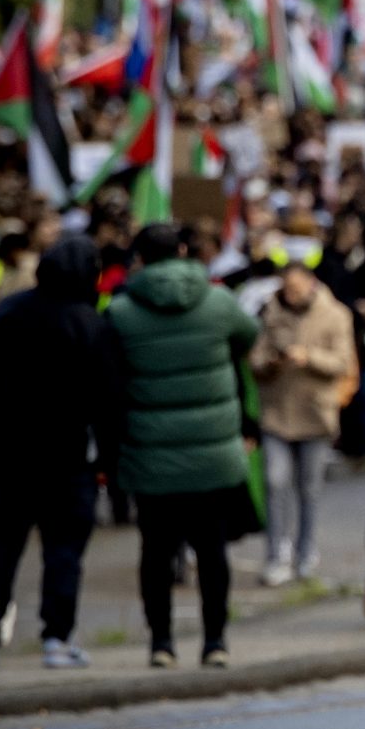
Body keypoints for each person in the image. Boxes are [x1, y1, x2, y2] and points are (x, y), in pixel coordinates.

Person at [105, 222, 262, 668]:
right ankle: (215, 641)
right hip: (213, 453)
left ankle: (161, 643)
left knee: (155, 554)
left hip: (150, 455)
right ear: (183, 249)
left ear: (139, 258)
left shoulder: (121, 311)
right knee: (212, 552)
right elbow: (249, 338)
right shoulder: (218, 301)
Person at [0, 236, 125, 669]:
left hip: (8, 455)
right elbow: (109, 401)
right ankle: (56, 638)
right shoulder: (89, 324)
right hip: (68, 458)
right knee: (64, 552)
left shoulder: (10, 313)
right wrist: (111, 465)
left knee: (0, 549)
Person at [249, 261, 355, 587]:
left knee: (309, 488)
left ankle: (305, 552)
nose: (291, 296)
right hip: (277, 413)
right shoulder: (271, 311)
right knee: (275, 481)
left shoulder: (335, 314)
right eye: (286, 290)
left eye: (296, 289)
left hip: (316, 415)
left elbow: (343, 362)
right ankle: (275, 553)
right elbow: (254, 358)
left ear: (310, 284)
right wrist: (271, 362)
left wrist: (309, 357)